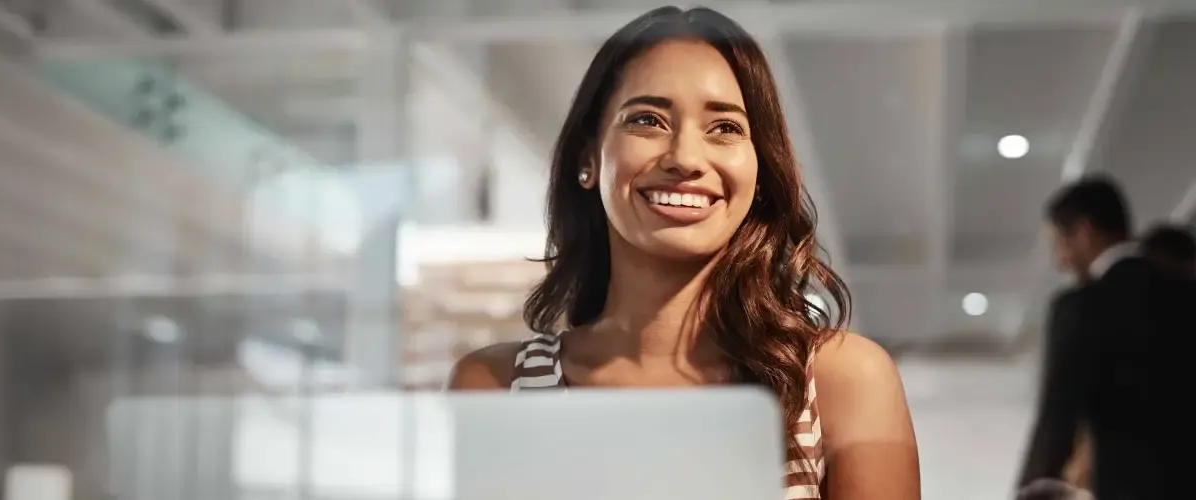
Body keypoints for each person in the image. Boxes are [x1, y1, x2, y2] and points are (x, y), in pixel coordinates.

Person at [446, 6, 919, 499]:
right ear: (588, 160)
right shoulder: (494, 386)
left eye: (725, 129)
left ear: (759, 173)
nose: (686, 160)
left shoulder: (838, 380)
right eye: (647, 120)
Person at [1018, 177, 1185, 499]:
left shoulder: (1081, 307)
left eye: (1058, 243)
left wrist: (1032, 486)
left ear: (1082, 233)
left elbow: (1058, 415)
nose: (1060, 260)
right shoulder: (1184, 291)